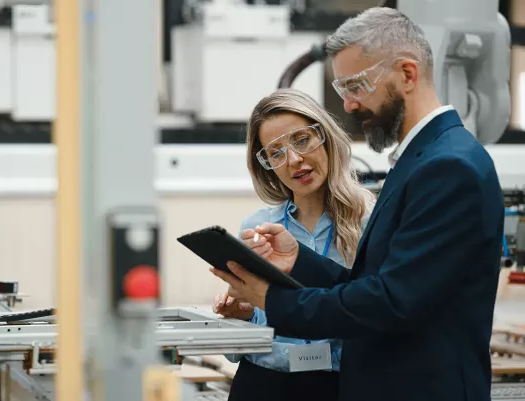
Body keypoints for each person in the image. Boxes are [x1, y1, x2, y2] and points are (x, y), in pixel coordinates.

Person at [210, 7, 504, 401]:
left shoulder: (448, 165)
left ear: (407, 74)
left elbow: (392, 302)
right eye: (341, 90)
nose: (348, 105)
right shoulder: (421, 158)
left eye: (357, 85)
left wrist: (273, 299)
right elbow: (376, 286)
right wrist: (299, 260)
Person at [212, 88, 374, 401]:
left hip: (336, 387)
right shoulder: (257, 229)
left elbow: (376, 318)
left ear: (325, 136)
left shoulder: (370, 223)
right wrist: (242, 315)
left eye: (301, 140)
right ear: (266, 165)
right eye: (275, 152)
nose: (294, 160)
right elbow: (242, 349)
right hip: (260, 386)